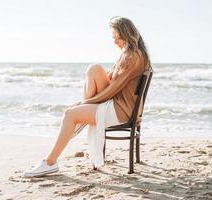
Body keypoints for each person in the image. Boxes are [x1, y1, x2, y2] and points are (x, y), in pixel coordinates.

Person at [24, 16, 151, 177]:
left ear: (127, 35)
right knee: (94, 69)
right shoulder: (132, 54)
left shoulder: (132, 56)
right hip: (121, 106)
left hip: (121, 110)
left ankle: (50, 163)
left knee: (70, 114)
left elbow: (113, 88)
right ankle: (82, 115)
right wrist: (85, 103)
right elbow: (113, 79)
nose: (114, 42)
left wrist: (85, 102)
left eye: (116, 38)